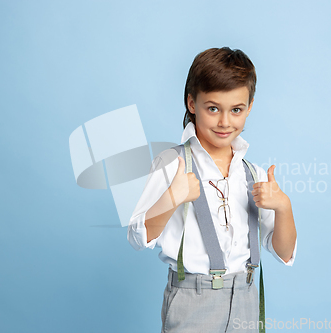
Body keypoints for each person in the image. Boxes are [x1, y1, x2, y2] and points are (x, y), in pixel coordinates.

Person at [127, 47, 297, 333]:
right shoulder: (172, 164)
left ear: (250, 107)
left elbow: (283, 251)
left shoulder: (251, 173)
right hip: (193, 301)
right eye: (213, 108)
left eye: (236, 110)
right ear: (192, 103)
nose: (225, 122)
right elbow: (136, 236)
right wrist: (172, 198)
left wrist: (284, 207)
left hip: (246, 297)